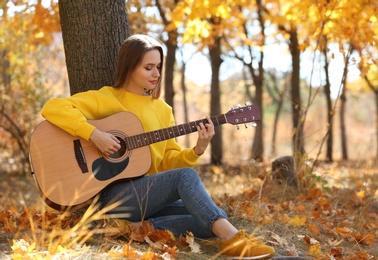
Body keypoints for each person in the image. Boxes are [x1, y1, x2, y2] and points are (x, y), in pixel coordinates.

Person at [41, 34, 275, 259]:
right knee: (189, 181)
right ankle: (235, 241)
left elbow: (166, 161)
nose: (156, 74)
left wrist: (198, 149)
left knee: (207, 217)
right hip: (113, 196)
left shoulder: (163, 110)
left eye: (159, 67)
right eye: (148, 67)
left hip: (148, 196)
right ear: (130, 66)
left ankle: (133, 227)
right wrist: (95, 135)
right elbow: (53, 108)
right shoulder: (107, 98)